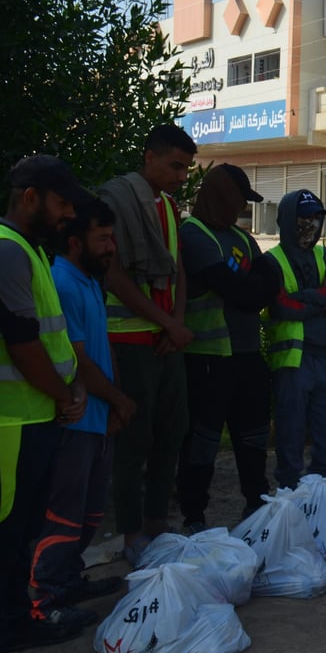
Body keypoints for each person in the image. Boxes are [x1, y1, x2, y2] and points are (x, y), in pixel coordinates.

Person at [0, 155, 92, 650]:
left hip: (36, 416)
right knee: (8, 536)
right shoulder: (8, 250)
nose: (67, 215)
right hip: (11, 424)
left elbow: (51, 344)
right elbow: (22, 343)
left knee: (21, 536)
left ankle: (17, 623)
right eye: (61, 204)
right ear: (30, 197)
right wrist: (66, 395)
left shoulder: (30, 251)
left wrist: (72, 390)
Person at [29, 199, 135, 624]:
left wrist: (115, 400)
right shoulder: (64, 283)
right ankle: (45, 597)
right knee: (63, 512)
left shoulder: (90, 281)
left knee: (89, 510)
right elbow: (77, 360)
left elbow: (100, 347)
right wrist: (119, 399)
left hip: (97, 419)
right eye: (103, 239)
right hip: (75, 420)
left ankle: (70, 580)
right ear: (75, 242)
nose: (111, 248)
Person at [99, 124, 196, 565]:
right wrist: (165, 324)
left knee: (170, 435)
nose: (181, 176)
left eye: (186, 169)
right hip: (130, 340)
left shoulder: (171, 207)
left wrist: (175, 324)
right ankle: (131, 533)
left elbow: (177, 269)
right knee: (135, 440)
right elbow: (113, 275)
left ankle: (158, 524)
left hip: (166, 341)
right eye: (175, 166)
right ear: (149, 157)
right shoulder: (113, 201)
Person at [176, 165, 281, 531]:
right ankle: (194, 516)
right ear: (221, 195)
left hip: (248, 354)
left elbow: (270, 281)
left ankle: (255, 504)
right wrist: (252, 286)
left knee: (253, 435)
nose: (241, 210)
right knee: (202, 441)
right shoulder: (194, 234)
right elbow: (243, 291)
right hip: (209, 358)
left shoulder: (241, 237)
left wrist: (252, 287)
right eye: (239, 200)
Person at [267, 189, 326, 492]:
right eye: (304, 219)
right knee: (290, 436)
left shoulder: (323, 255)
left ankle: (317, 491)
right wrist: (321, 303)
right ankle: (289, 495)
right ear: (288, 220)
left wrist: (306, 298)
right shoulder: (273, 261)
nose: (311, 225)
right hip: (292, 363)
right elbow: (281, 307)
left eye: (317, 218)